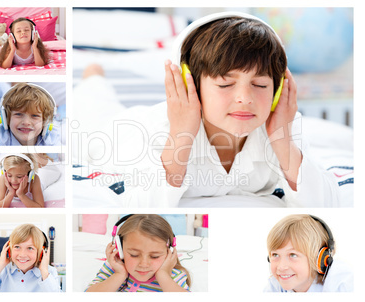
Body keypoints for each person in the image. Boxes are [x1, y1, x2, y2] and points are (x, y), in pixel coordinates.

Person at [73, 12, 340, 207]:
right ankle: (93, 76)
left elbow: (326, 204)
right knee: (94, 106)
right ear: (192, 85)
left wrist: (283, 138)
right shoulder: (158, 131)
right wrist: (181, 134)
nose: (245, 98)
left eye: (259, 84)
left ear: (278, 89)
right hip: (119, 128)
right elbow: (143, 206)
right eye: (225, 84)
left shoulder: (282, 128)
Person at [86, 214, 190, 292]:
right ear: (120, 249)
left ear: (169, 253)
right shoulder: (114, 267)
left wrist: (163, 276)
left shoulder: (173, 277)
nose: (144, 264)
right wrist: (119, 274)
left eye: (155, 256)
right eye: (134, 255)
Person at [264, 214, 353, 292]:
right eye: (275, 255)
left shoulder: (341, 284)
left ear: (320, 259)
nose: (281, 267)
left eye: (293, 255)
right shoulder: (275, 285)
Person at [0, 224, 61, 292]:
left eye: (30, 248)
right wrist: (0, 265)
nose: (22, 254)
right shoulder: (1, 271)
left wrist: (44, 272)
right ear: (9, 249)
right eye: (17, 247)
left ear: (42, 252)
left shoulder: (49, 273)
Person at [0, 82, 60, 146]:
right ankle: (0, 86)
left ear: (46, 122)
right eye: (18, 114)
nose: (26, 122)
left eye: (35, 116)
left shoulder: (52, 138)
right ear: (6, 118)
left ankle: (13, 86)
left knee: (7, 94)